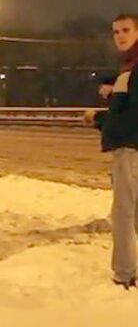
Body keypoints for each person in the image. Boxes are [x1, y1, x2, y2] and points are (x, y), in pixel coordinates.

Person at [91, 14, 138, 289]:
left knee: (122, 214)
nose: (120, 35)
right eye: (116, 31)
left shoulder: (133, 69)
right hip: (130, 146)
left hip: (130, 149)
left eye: (126, 30)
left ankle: (124, 274)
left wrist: (112, 97)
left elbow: (131, 113)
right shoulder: (128, 67)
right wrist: (101, 118)